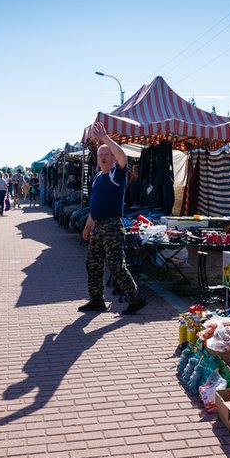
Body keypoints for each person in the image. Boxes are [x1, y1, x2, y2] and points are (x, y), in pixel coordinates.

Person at [79, 121, 147, 315]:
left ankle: (136, 299)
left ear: (112, 157)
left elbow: (123, 157)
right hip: (98, 226)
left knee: (116, 266)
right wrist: (87, 226)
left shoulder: (117, 174)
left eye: (106, 154)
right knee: (92, 264)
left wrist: (105, 138)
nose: (102, 157)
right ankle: (96, 300)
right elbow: (95, 205)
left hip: (111, 226)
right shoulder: (99, 177)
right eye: (100, 155)